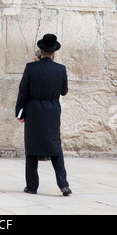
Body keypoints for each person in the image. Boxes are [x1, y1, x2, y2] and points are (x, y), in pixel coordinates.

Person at [15, 33, 72, 196]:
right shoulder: (60, 69)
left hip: (33, 110)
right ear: (54, 52)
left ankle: (32, 186)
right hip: (52, 110)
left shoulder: (30, 68)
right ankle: (64, 185)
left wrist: (19, 112)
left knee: (31, 148)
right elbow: (64, 91)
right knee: (55, 147)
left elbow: (23, 92)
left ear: (40, 50)